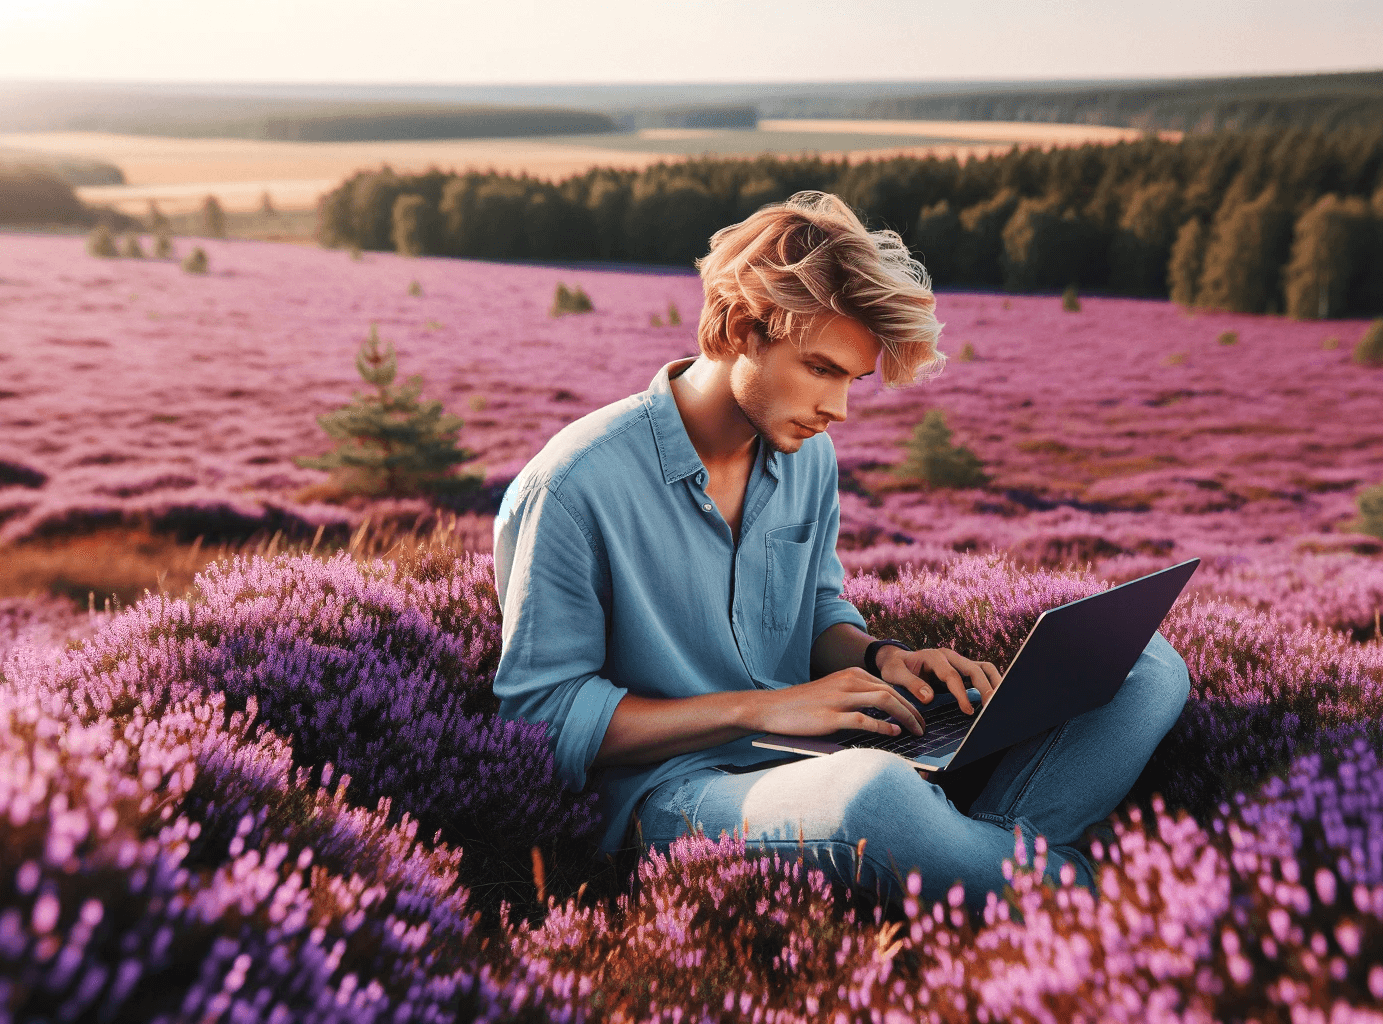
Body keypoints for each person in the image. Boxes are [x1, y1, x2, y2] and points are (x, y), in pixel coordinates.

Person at [491, 191, 1191, 914]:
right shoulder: (575, 485)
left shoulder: (808, 457)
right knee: (874, 797)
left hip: (812, 750)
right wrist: (766, 709)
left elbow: (818, 607)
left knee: (1149, 666)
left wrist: (880, 656)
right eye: (821, 369)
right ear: (739, 327)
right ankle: (1111, 905)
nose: (840, 410)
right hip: (677, 793)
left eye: (852, 381)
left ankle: (988, 857)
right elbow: (543, 718)